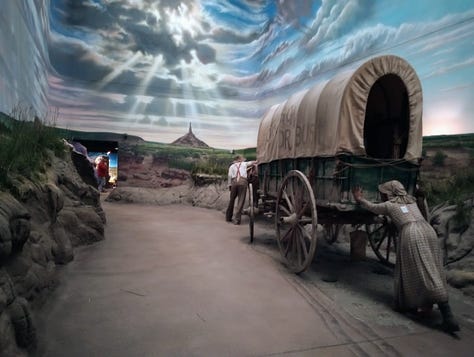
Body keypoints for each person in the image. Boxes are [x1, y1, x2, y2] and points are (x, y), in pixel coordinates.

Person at [352, 180, 460, 333]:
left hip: (412, 233)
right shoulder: (412, 202)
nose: (383, 196)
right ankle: (424, 304)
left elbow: (373, 208)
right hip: (428, 231)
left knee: (422, 271)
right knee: (432, 269)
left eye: (384, 193)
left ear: (390, 193)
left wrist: (359, 199)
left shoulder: (390, 205)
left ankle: (448, 316)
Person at [225, 155, 257, 225]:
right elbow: (252, 162)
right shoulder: (244, 164)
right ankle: (237, 220)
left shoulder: (232, 166)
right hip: (243, 182)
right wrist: (257, 161)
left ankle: (228, 217)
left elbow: (229, 176)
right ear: (240, 159)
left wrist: (229, 184)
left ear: (235, 160)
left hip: (234, 182)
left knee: (232, 200)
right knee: (241, 200)